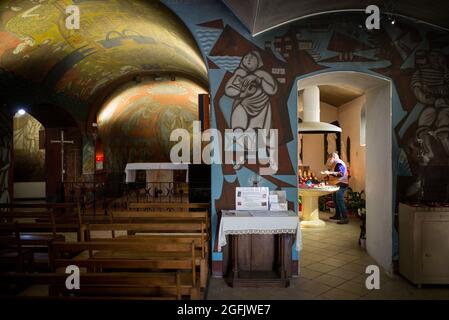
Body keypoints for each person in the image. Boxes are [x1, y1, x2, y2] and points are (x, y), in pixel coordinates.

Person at [323, 152, 349, 224]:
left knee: (339, 199)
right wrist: (328, 175)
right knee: (335, 199)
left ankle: (345, 217)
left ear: (334, 157)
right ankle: (338, 215)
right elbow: (334, 173)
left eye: (330, 158)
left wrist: (330, 173)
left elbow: (341, 173)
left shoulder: (339, 163)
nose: (329, 159)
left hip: (342, 184)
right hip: (336, 184)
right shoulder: (334, 164)